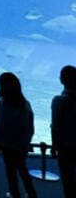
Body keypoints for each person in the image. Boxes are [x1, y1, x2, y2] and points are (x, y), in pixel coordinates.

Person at [0, 72, 37, 198]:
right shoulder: (25, 104)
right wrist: (26, 143)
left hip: (6, 145)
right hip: (21, 144)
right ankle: (32, 194)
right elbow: (30, 127)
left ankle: (14, 193)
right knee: (23, 169)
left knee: (10, 171)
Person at [52, 65, 76, 198]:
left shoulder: (59, 101)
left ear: (61, 80)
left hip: (65, 147)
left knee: (68, 182)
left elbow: (55, 126)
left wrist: (54, 146)